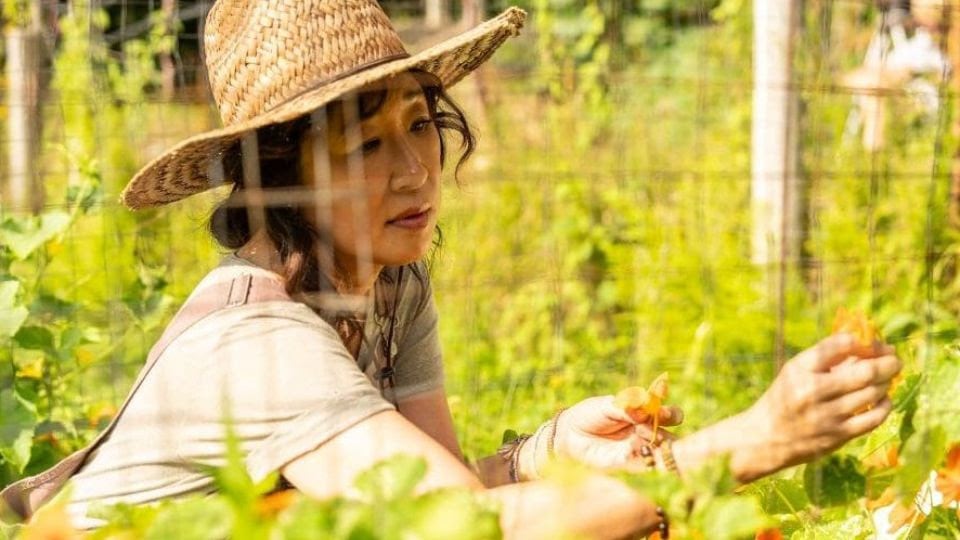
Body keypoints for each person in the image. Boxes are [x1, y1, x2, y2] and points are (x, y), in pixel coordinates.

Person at [13, 0, 900, 537]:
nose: (414, 171)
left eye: (419, 123)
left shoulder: (390, 285)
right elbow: (469, 532)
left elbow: (437, 497)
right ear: (283, 176)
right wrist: (756, 440)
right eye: (366, 145)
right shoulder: (258, 342)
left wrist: (546, 452)